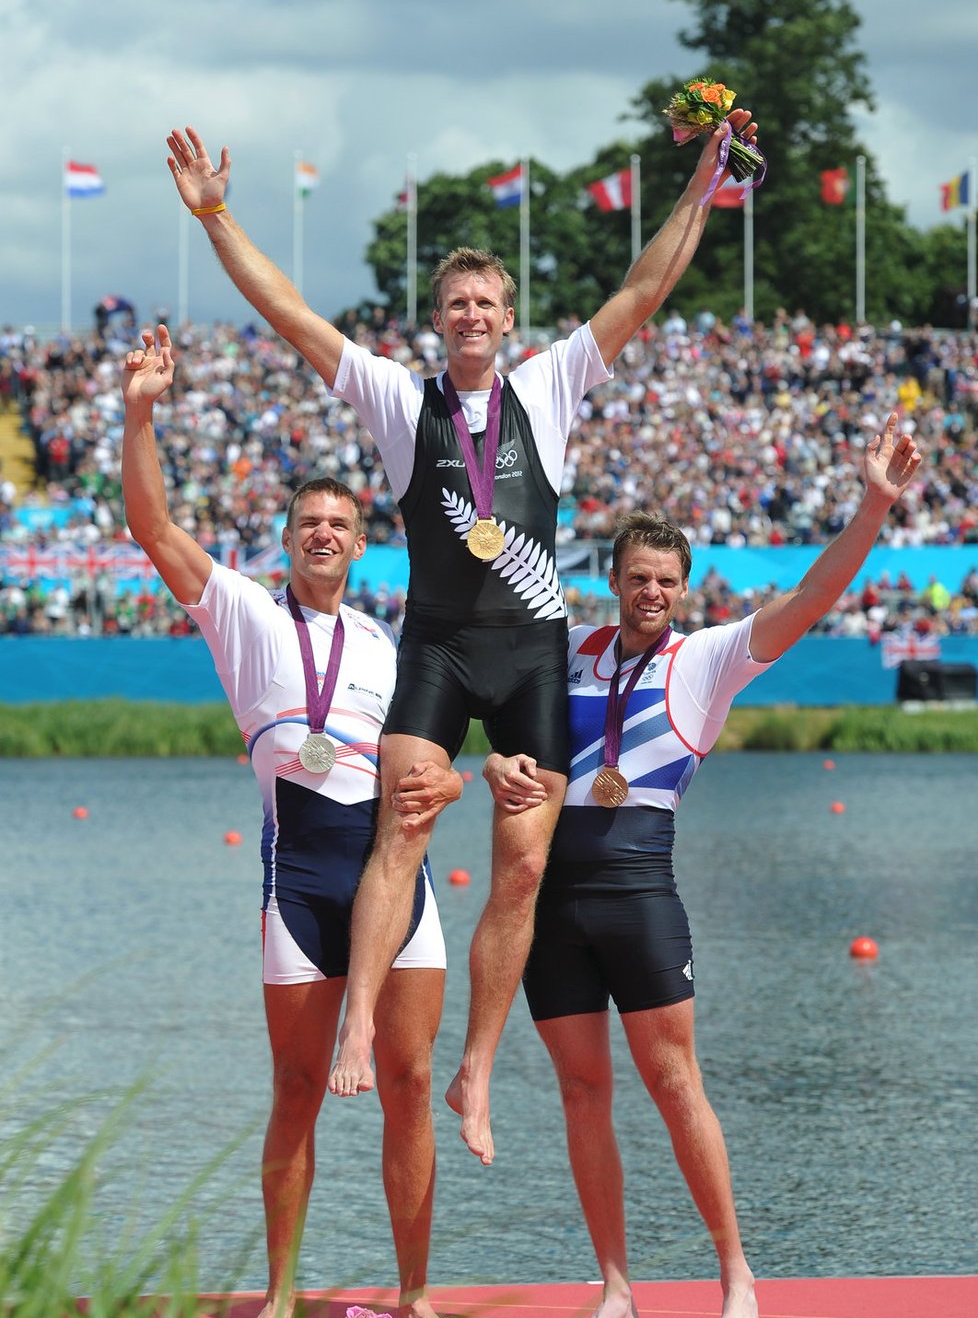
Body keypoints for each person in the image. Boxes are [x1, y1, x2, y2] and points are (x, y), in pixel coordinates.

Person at [163, 110, 759, 1167]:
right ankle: (356, 1020)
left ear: (509, 315)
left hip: (530, 649)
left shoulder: (549, 385)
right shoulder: (401, 399)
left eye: (487, 301)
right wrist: (216, 219)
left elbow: (645, 289)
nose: (472, 313)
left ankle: (476, 1073)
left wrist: (706, 184)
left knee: (523, 870)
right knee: (403, 824)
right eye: (455, 304)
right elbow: (294, 317)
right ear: (436, 321)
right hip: (438, 644)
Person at [483, 413, 922, 1318]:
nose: (651, 591)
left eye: (666, 581)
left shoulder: (708, 659)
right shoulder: (566, 653)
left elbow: (811, 595)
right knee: (580, 1094)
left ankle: (736, 1273)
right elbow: (504, 732)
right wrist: (495, 763)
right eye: (637, 577)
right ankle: (614, 1287)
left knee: (675, 1082)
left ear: (685, 592)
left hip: (641, 894)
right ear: (613, 581)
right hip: (553, 901)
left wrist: (874, 504)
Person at [120, 324, 468, 1318]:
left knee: (409, 1088)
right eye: (308, 522)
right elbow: (151, 524)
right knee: (295, 1096)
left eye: (339, 524)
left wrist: (447, 779)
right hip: (301, 888)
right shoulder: (240, 615)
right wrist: (141, 412)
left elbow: (431, 761)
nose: (323, 534)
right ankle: (278, 1298)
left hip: (396, 889)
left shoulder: (386, 642)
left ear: (361, 545)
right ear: (286, 540)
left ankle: (413, 1296)